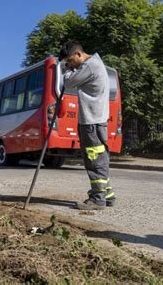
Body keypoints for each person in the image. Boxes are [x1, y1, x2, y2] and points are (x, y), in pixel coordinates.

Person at [59, 40, 115, 210]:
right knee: (99, 157)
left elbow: (68, 83)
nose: (69, 64)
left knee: (94, 159)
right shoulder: (95, 64)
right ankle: (108, 194)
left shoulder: (90, 66)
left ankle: (98, 198)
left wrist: (65, 70)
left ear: (78, 54)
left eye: (69, 60)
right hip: (96, 120)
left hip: (91, 121)